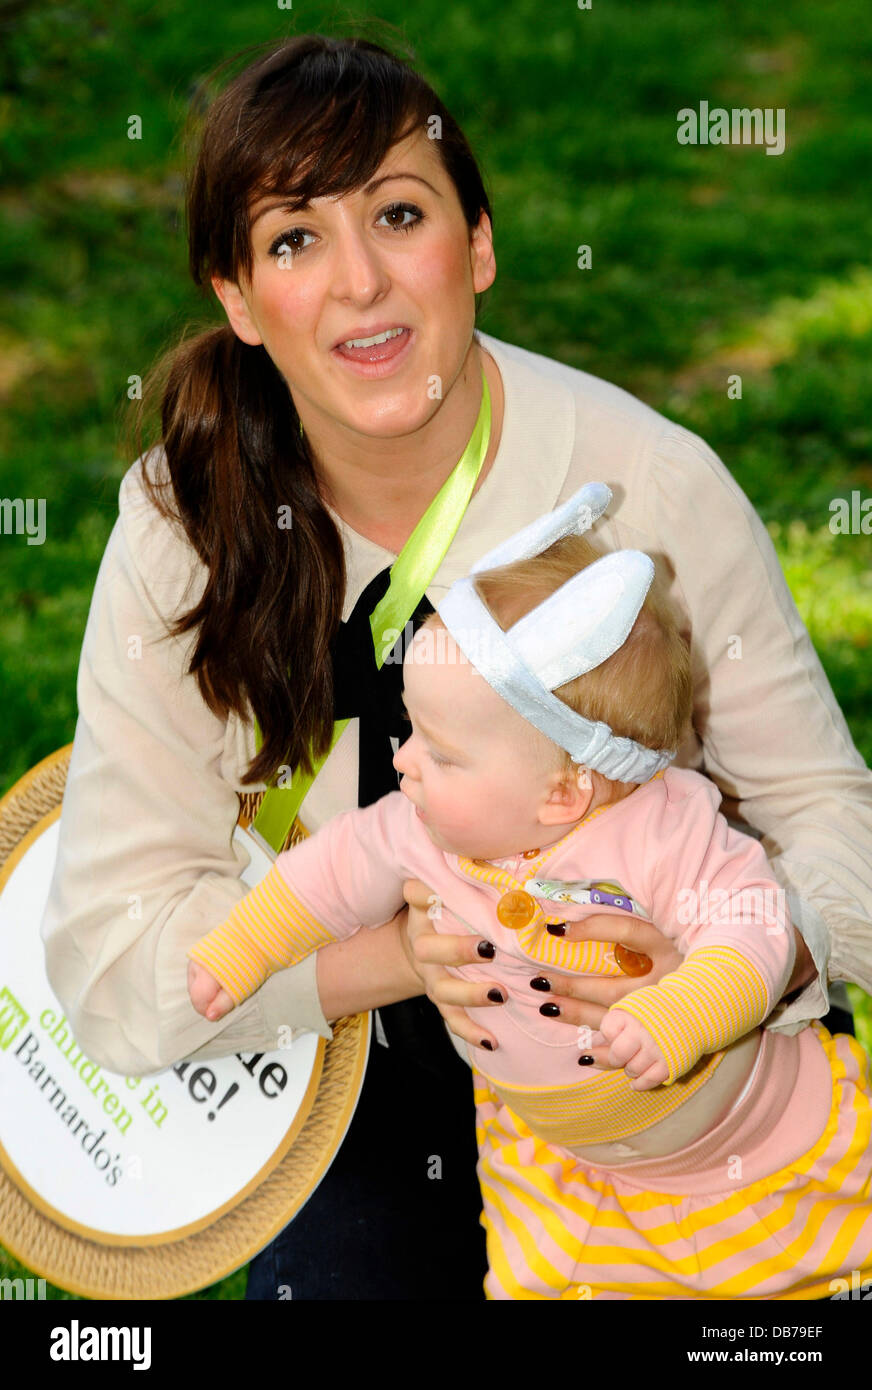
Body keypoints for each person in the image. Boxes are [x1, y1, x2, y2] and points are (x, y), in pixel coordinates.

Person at [39, 33, 872, 1301]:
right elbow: (110, 971)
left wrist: (729, 967)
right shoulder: (181, 525)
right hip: (353, 1047)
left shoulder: (646, 481)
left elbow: (834, 824)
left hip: (672, 1078)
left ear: (475, 247)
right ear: (238, 300)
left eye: (397, 213)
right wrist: (392, 961)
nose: (362, 282)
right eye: (293, 239)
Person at [184, 492, 872, 1299]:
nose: (403, 762)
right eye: (411, 731)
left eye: (440, 752)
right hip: (550, 1166)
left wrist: (684, 1007)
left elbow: (753, 926)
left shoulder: (664, 830)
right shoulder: (419, 827)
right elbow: (329, 871)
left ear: (563, 793)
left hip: (740, 1153)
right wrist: (245, 946)